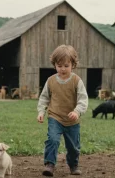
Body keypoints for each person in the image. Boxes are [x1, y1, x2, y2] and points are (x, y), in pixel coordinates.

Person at [37, 44, 88, 176]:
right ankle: (49, 164)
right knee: (52, 139)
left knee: (73, 147)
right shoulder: (51, 81)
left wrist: (77, 111)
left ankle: (73, 165)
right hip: (55, 117)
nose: (63, 69)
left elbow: (83, 99)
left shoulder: (77, 81)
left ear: (73, 65)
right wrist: (41, 111)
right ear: (54, 65)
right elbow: (44, 98)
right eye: (59, 66)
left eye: (66, 66)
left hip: (72, 120)